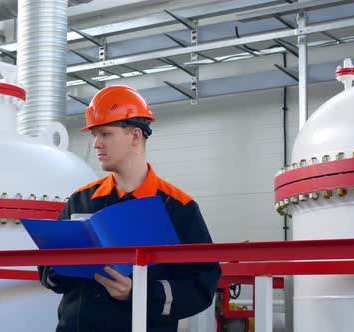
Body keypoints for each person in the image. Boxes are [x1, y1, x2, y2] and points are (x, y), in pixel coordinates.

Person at [38, 85, 221, 332]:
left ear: (135, 136)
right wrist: (63, 267)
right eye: (94, 135)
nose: (96, 144)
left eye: (105, 134)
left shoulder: (177, 208)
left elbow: (201, 286)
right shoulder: (80, 200)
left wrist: (136, 293)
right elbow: (47, 272)